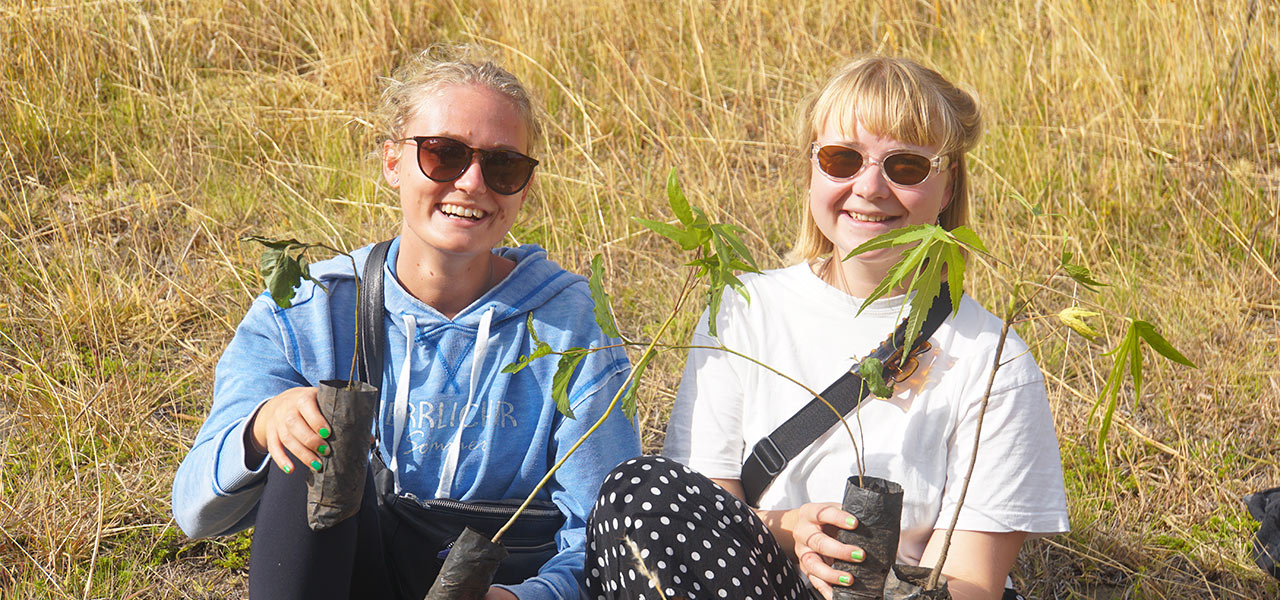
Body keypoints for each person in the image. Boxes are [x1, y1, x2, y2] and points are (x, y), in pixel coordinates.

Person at [584, 56, 1069, 600]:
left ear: (949, 183)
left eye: (905, 167)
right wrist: (794, 530)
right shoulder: (743, 309)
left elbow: (971, 581)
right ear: (811, 169)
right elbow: (703, 506)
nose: (870, 187)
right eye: (842, 159)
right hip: (753, 586)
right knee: (640, 490)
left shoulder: (993, 356)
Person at [171, 48, 640, 600]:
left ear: (525, 188)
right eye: (444, 155)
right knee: (315, 437)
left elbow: (605, 538)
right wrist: (263, 426)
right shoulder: (311, 307)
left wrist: (523, 598)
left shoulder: (575, 325)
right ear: (392, 162)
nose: (472, 183)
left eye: (503, 165)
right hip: (347, 576)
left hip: (496, 589)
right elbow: (194, 509)